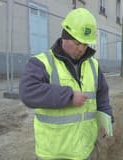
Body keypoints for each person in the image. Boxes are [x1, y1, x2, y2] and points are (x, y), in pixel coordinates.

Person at [19, 8, 113, 160]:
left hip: (86, 149)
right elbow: (28, 92)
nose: (82, 48)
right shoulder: (41, 63)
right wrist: (68, 97)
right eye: (77, 43)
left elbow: (102, 95)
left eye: (85, 43)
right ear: (64, 37)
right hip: (55, 153)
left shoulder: (93, 65)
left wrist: (107, 117)